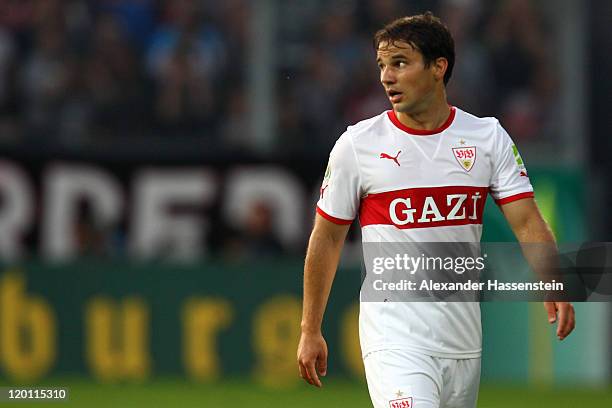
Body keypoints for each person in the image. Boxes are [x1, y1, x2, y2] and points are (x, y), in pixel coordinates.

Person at [296, 12, 575, 408]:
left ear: (438, 67)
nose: (386, 77)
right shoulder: (358, 145)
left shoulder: (486, 138)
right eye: (381, 65)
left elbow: (527, 220)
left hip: (463, 343)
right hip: (394, 339)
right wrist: (310, 328)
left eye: (400, 63)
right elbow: (326, 236)